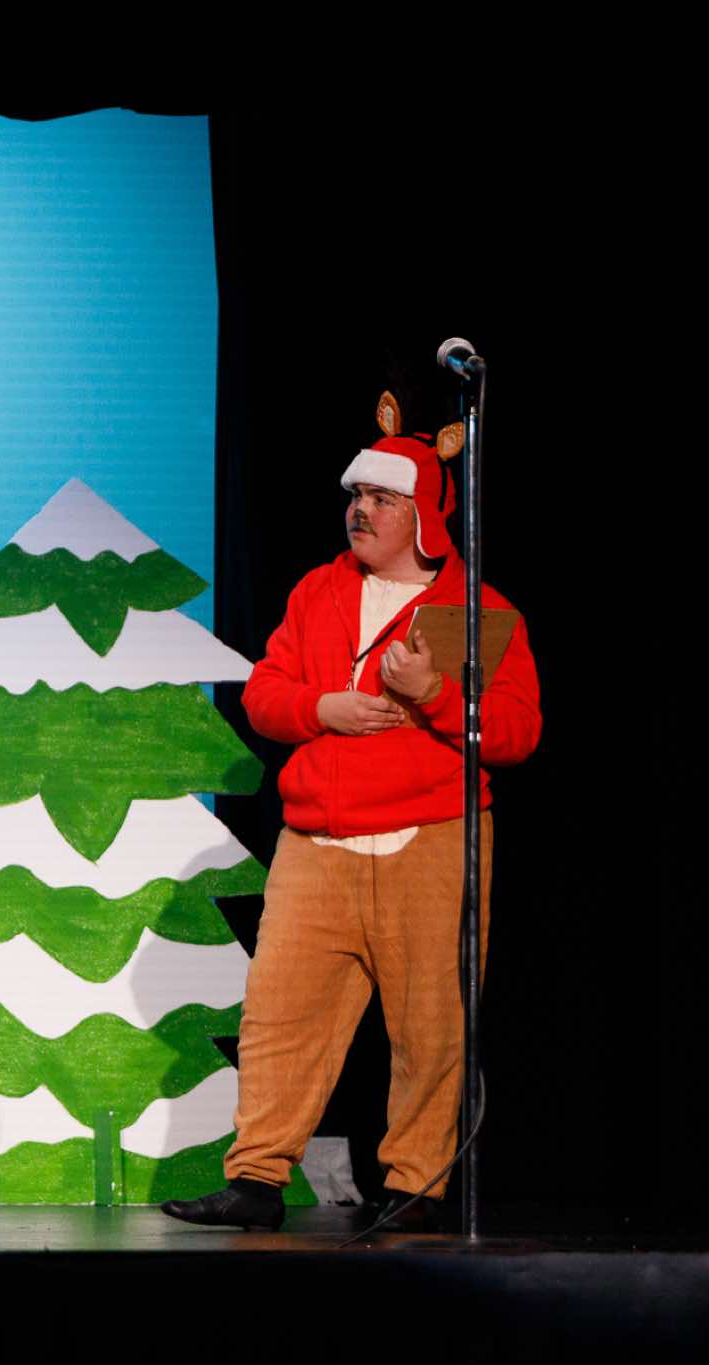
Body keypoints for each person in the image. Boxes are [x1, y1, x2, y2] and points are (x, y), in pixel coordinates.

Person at [163, 389, 540, 1232]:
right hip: (319, 843)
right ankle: (256, 1178)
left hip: (430, 840)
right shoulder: (319, 591)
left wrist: (434, 693)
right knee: (279, 1015)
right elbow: (264, 693)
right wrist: (320, 708)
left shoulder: (479, 611)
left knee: (432, 1025)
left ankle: (417, 1185)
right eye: (356, 495)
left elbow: (516, 732)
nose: (359, 510)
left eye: (381, 498)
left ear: (424, 516)